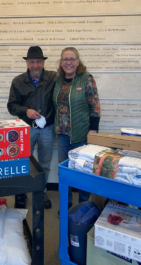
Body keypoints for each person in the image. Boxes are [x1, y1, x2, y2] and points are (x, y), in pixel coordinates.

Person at [7, 46, 56, 209]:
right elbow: (11, 106)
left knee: (45, 164)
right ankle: (21, 193)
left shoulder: (54, 78)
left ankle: (41, 192)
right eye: (32, 62)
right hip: (26, 129)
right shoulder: (18, 81)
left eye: (39, 61)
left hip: (47, 128)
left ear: (43, 63)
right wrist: (25, 111)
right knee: (22, 162)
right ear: (27, 63)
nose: (35, 65)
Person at [53, 47, 101, 213]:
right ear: (61, 62)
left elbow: (95, 105)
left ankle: (83, 203)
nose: (69, 62)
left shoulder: (86, 78)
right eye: (65, 59)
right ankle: (66, 203)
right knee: (64, 172)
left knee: (83, 172)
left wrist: (93, 131)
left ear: (78, 61)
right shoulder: (58, 80)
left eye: (72, 59)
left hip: (82, 134)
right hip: (63, 135)